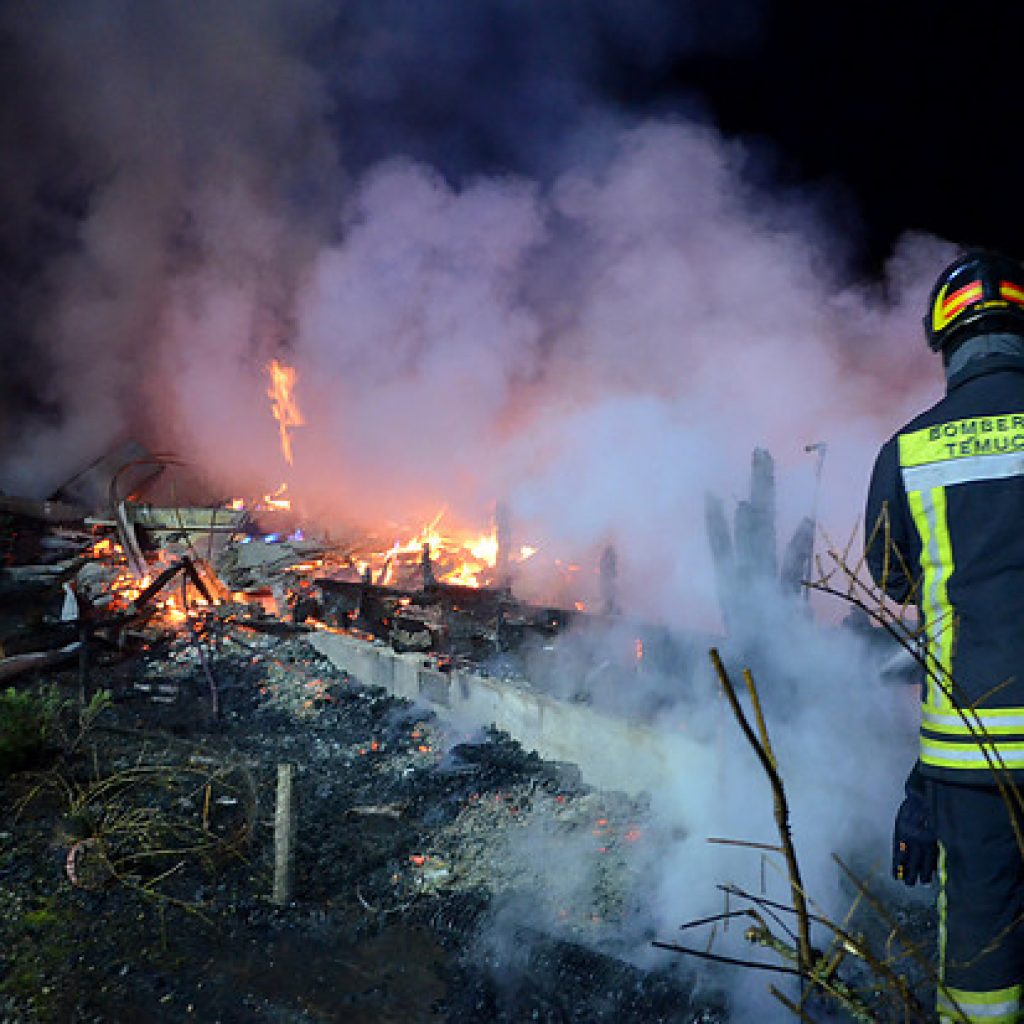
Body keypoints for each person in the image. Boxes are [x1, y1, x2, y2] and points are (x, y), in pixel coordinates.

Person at [865, 248, 1024, 1023]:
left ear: (944, 341)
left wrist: (923, 781)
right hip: (963, 768)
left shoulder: (911, 451)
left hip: (972, 767)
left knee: (981, 973)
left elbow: (893, 580)